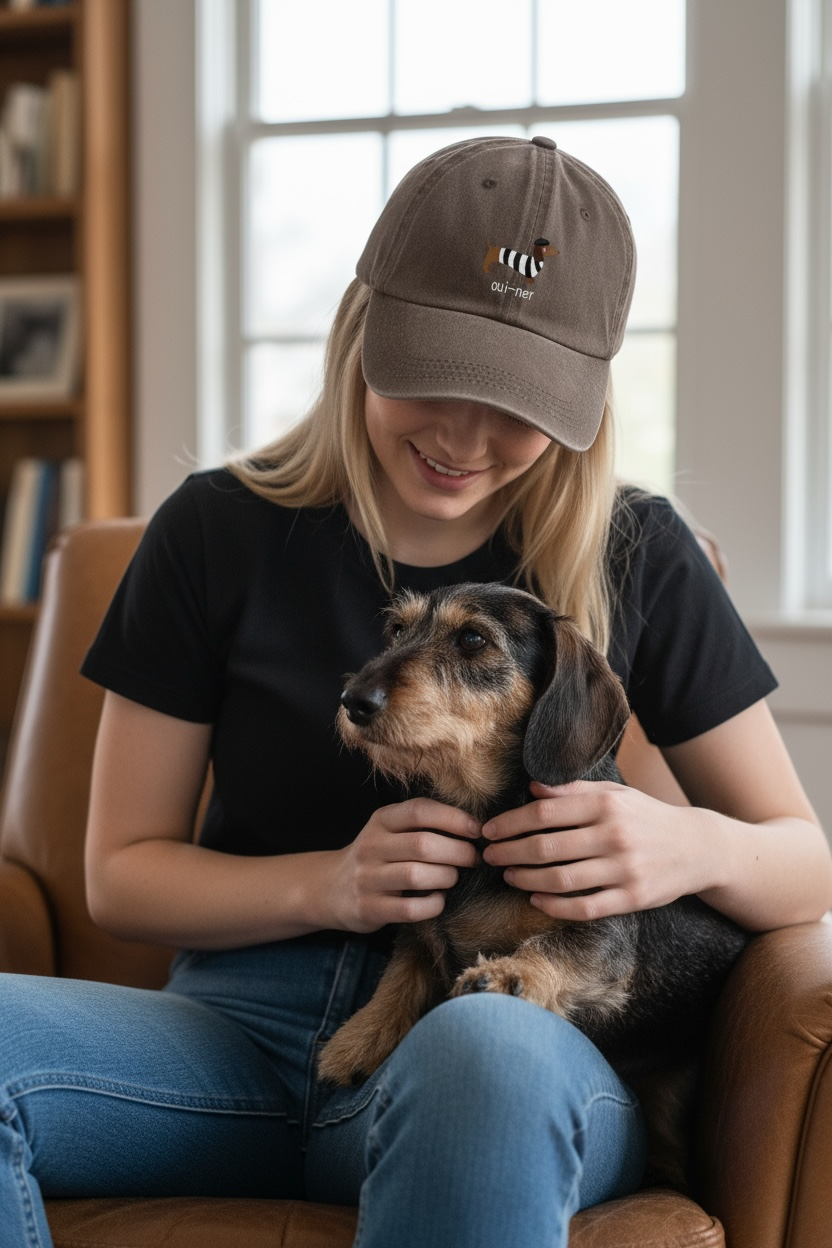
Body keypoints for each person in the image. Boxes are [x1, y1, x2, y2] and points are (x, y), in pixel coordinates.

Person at [1, 135, 830, 1248]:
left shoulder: (642, 555)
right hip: (226, 1037)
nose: (459, 436)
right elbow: (119, 875)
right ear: (362, 325)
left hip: (515, 1040)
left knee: (479, 1052)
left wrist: (688, 848)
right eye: (431, 372)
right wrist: (331, 887)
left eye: (517, 401)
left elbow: (802, 859)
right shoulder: (210, 532)